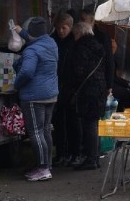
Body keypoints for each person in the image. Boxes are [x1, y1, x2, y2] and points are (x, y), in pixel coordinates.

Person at [13, 17, 59, 182]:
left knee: (36, 132)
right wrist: (20, 31)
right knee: (45, 130)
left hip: (34, 96)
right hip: (51, 95)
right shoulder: (51, 44)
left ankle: (42, 168)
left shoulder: (31, 51)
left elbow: (26, 72)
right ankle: (48, 164)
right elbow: (33, 37)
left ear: (31, 35)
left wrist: (16, 84)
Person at [66, 22, 108, 171]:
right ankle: (95, 157)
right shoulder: (98, 45)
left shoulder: (80, 48)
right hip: (100, 88)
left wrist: (72, 87)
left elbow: (78, 71)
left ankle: (91, 159)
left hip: (87, 90)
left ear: (78, 33)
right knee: (94, 124)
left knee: (88, 124)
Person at [49, 13, 76, 166]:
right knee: (59, 123)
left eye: (63, 28)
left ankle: (72, 152)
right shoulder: (53, 41)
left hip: (69, 86)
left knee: (71, 122)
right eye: (58, 28)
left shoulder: (74, 42)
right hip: (57, 85)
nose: (60, 31)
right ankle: (61, 153)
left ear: (70, 28)